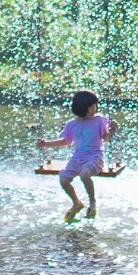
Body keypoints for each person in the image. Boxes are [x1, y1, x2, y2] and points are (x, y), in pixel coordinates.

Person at [37, 90, 118, 221]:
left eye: (95, 106)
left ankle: (92, 202)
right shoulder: (71, 124)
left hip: (95, 156)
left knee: (84, 174)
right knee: (63, 179)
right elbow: (66, 141)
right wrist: (46, 144)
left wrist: (112, 130)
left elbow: (106, 138)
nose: (93, 109)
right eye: (90, 107)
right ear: (81, 108)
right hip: (77, 157)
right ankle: (76, 203)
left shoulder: (99, 120)